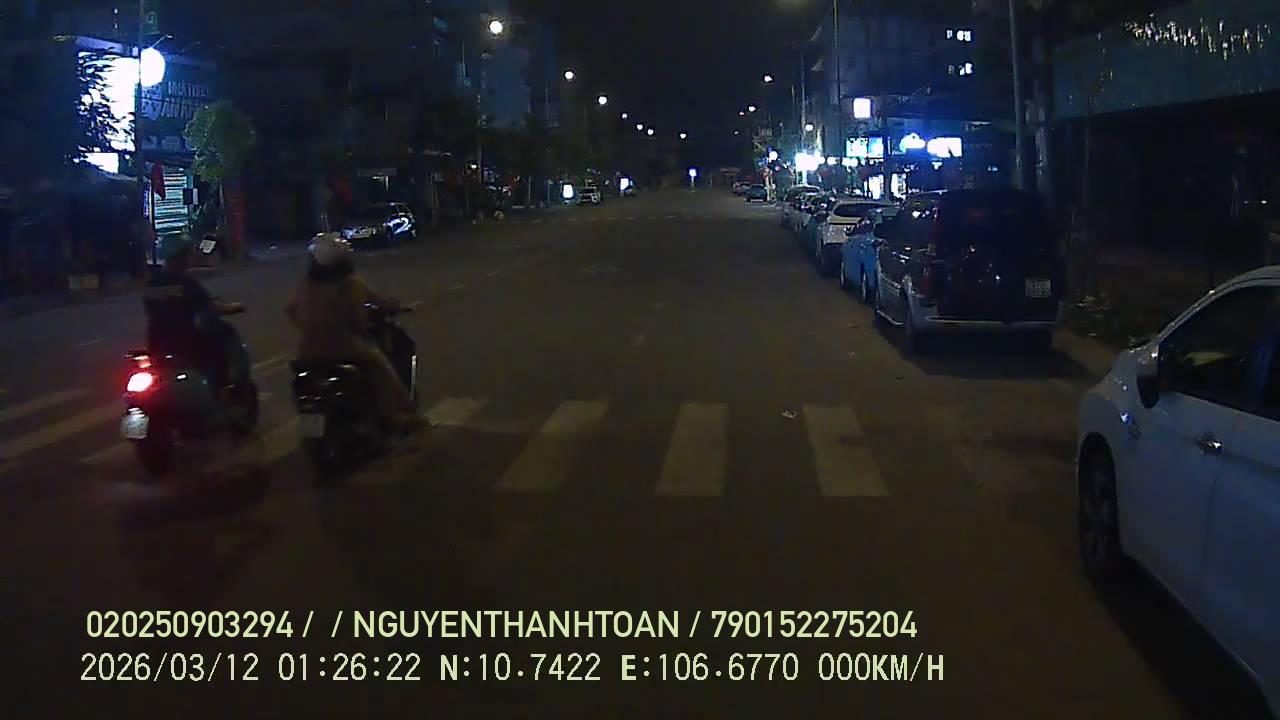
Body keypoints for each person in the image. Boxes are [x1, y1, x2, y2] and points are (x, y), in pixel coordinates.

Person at [285, 233, 423, 433]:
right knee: (379, 364)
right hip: (345, 348)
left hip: (306, 352)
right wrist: (396, 307)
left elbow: (290, 310)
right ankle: (394, 414)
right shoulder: (352, 284)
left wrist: (309, 328)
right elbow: (373, 310)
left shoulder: (306, 284)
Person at [142, 234, 245, 391]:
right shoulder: (186, 284)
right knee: (219, 341)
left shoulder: (152, 284)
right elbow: (209, 307)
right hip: (185, 341)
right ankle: (219, 387)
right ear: (181, 257)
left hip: (156, 343)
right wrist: (232, 307)